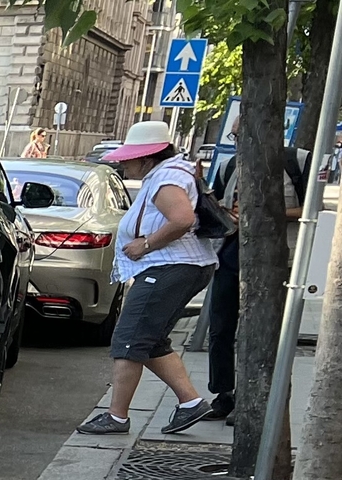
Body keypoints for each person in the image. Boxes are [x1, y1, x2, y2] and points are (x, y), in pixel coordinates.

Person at [77, 121, 218, 435]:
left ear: (146, 157)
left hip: (167, 267)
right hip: (177, 267)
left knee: (128, 340)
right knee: (150, 341)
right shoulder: (170, 172)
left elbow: (182, 219)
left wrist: (147, 243)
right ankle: (190, 403)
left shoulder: (167, 178)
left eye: (128, 158)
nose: (123, 164)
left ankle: (116, 416)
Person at [201, 138, 308, 422]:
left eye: (243, 132)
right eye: (235, 135)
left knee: (262, 329)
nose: (239, 140)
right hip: (231, 254)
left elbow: (312, 208)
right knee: (220, 326)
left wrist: (264, 214)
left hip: (276, 258)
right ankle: (224, 395)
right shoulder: (230, 165)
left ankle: (255, 399)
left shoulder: (296, 161)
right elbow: (222, 209)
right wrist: (226, 212)